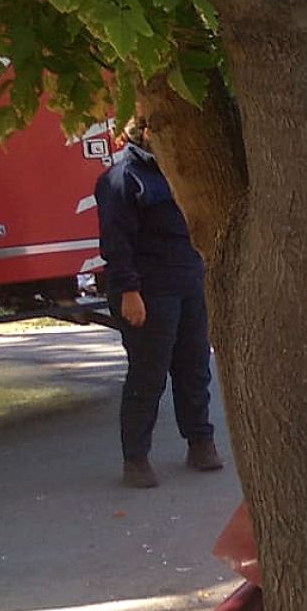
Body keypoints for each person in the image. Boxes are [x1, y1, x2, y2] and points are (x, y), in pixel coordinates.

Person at [94, 118, 222, 489]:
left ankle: (200, 441)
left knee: (194, 367)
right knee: (148, 376)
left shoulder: (181, 174)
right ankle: (136, 458)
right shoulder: (122, 180)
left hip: (188, 282)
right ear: (145, 134)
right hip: (148, 291)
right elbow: (116, 245)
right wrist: (128, 292)